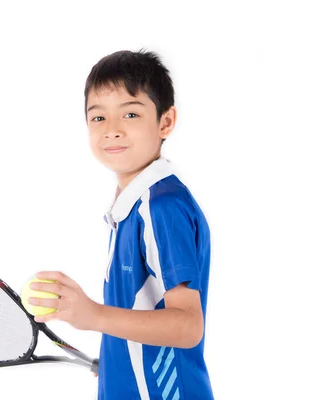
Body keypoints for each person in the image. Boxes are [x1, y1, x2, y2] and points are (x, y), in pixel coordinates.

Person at [29, 50, 214, 400]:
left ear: (165, 122)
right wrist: (116, 361)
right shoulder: (130, 204)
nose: (112, 130)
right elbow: (144, 312)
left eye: (130, 113)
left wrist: (94, 315)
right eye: (98, 118)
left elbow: (188, 326)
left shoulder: (161, 207)